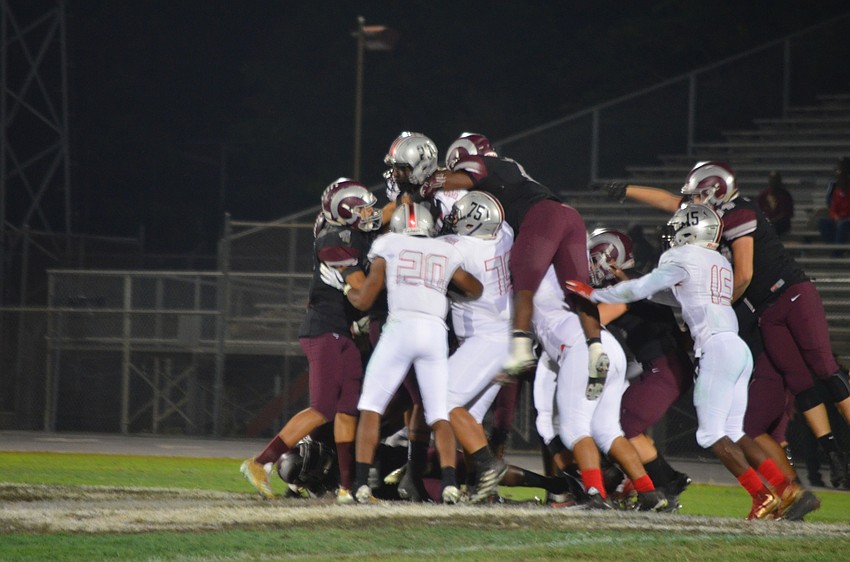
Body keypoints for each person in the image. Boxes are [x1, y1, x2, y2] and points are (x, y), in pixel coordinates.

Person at [597, 161, 850, 490]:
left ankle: (766, 494)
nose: (688, 207)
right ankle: (801, 480)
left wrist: (593, 291)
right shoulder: (712, 246)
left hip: (764, 310)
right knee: (767, 404)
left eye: (697, 197)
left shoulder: (730, 221)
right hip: (749, 326)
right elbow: (670, 202)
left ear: (715, 194)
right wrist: (627, 191)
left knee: (819, 371)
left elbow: (742, 275)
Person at [566, 203, 811, 520]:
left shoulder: (680, 256)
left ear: (690, 230)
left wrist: (595, 294)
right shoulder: (719, 261)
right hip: (736, 346)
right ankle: (786, 489)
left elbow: (643, 287)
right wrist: (633, 284)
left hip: (715, 347)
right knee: (734, 430)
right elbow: (671, 296)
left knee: (709, 435)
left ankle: (761, 496)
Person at [418, 132, 609, 397]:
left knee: (523, 279)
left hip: (542, 216)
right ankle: (596, 348)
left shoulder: (490, 166)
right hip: (569, 216)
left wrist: (430, 183)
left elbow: (461, 178)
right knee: (579, 290)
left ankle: (520, 346)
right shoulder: (510, 169)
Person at [322, 201, 484, 504]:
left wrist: (345, 287)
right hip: (434, 332)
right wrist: (440, 289)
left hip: (400, 328)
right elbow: (475, 288)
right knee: (438, 412)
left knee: (371, 407)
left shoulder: (389, 243)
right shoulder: (445, 249)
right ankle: (449, 484)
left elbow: (366, 298)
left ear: (399, 226)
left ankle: (359, 484)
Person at [240, 178, 382, 504]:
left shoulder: (352, 235)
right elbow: (361, 288)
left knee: (347, 412)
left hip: (342, 331)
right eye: (361, 208)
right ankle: (260, 461)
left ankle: (348, 487)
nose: (368, 212)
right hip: (324, 329)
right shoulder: (335, 240)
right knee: (322, 408)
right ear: (345, 212)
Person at [532, 266, 669, 511]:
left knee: (574, 428)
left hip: (581, 347)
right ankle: (650, 492)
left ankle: (595, 494)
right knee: (608, 430)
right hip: (609, 347)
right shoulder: (564, 280)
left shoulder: (529, 286)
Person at [586, 227, 695, 508]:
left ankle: (665, 485)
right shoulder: (639, 280)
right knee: (625, 424)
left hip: (663, 367)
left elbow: (599, 317)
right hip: (667, 365)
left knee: (619, 426)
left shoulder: (630, 285)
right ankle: (667, 480)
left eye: (593, 258)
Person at [440, 191, 514, 502]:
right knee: (467, 416)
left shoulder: (457, 246)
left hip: (486, 338)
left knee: (441, 399)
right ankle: (484, 490)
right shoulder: (505, 234)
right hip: (506, 335)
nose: (454, 219)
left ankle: (487, 466)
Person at [817, 157, 850, 244]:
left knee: (843, 224)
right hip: (839, 218)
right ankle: (831, 246)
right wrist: (835, 216)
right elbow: (833, 208)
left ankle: (836, 253)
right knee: (822, 221)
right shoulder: (837, 192)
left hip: (847, 219)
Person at [757, 171, 794, 238]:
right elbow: (759, 210)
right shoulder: (764, 194)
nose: (773, 181)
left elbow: (787, 213)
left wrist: (774, 220)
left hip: (781, 224)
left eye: (775, 179)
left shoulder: (785, 195)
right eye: (772, 179)